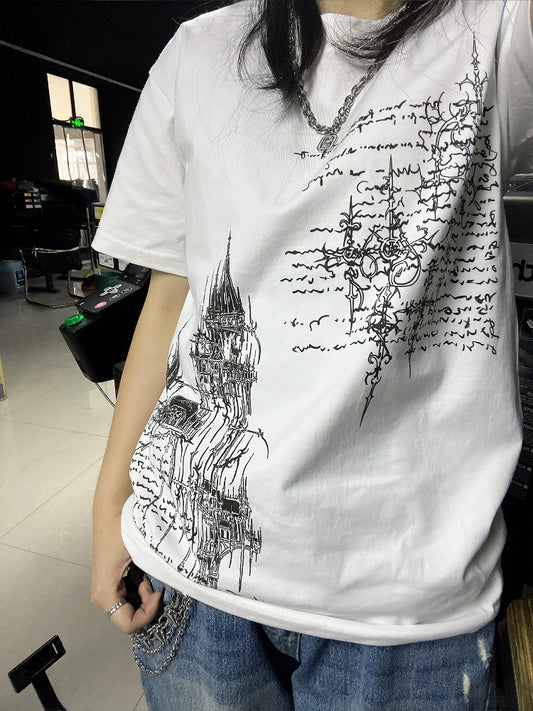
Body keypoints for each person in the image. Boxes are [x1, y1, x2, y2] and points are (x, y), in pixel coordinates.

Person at [91, 0, 533, 708]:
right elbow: (170, 296)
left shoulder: (500, 30)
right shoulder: (198, 51)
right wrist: (109, 504)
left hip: (403, 611)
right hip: (189, 576)